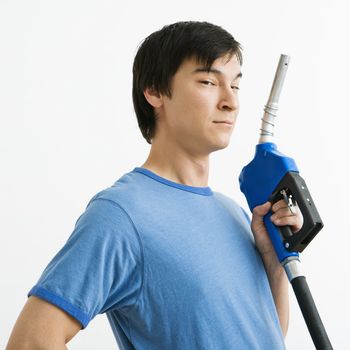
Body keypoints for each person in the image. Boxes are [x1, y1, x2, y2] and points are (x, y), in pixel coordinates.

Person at [6, 21, 302, 349]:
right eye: (208, 81)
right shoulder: (122, 215)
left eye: (235, 86)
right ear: (155, 91)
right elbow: (31, 341)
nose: (230, 102)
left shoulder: (233, 213)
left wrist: (273, 264)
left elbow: (266, 337)